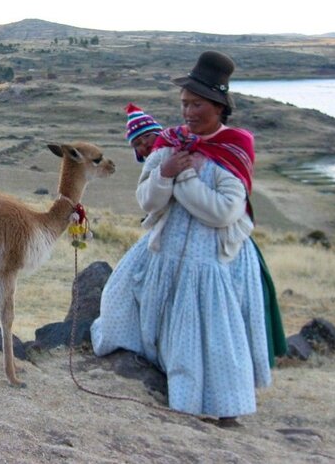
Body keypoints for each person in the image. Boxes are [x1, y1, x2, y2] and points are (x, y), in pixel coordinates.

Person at [91, 51, 281, 426]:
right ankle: (144, 372)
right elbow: (146, 200)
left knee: (201, 337)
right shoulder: (169, 142)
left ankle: (213, 408)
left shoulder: (233, 147)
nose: (188, 112)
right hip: (164, 248)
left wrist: (187, 178)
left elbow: (223, 212)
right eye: (184, 104)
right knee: (118, 298)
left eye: (196, 104)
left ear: (218, 106)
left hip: (207, 261)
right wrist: (165, 172)